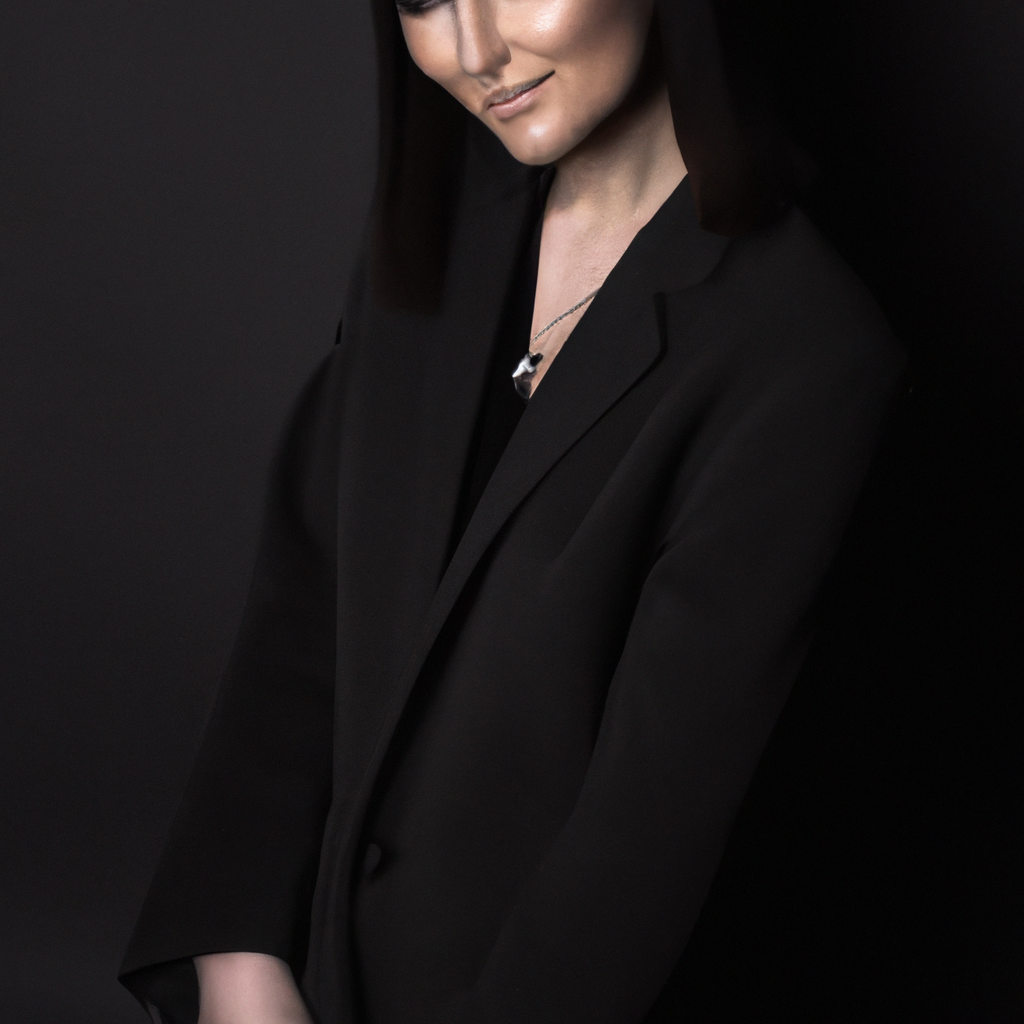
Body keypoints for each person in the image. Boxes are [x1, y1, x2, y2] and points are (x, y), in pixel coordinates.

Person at [119, 0, 904, 1021]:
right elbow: (301, 632)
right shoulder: (437, 241)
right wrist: (240, 965)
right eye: (421, 0)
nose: (473, 48)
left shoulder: (805, 351)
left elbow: (646, 847)